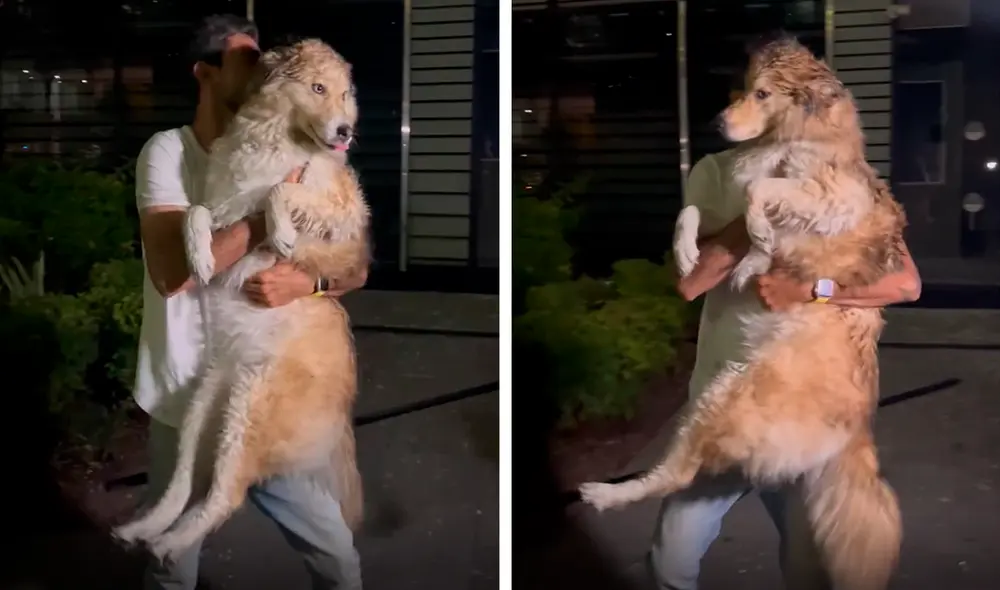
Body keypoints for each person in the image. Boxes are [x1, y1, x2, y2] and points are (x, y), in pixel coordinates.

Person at [652, 90, 923, 589]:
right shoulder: (716, 170)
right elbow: (689, 282)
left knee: (810, 568)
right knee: (672, 559)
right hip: (729, 407)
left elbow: (905, 283)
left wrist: (812, 289)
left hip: (807, 410)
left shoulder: (850, 175)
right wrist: (765, 207)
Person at [133, 14, 367, 590]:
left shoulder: (297, 144)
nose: (264, 66)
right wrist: (269, 216)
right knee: (170, 570)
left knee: (335, 553)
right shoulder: (168, 153)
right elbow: (172, 274)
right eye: (245, 58)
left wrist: (307, 284)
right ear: (204, 73)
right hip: (184, 393)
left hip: (266, 388)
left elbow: (354, 266)